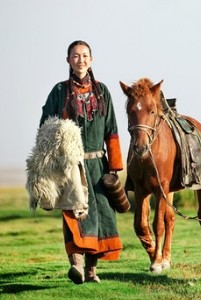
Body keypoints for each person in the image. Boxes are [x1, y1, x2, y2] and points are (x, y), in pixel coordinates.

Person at [39, 40, 124, 284]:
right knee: (74, 213)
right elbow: (45, 126)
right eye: (75, 56)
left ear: (92, 59)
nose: (80, 60)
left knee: (99, 217)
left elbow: (112, 129)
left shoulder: (103, 92)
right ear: (68, 60)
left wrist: (115, 166)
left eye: (85, 55)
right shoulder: (59, 91)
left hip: (98, 166)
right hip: (70, 165)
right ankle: (76, 265)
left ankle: (91, 271)